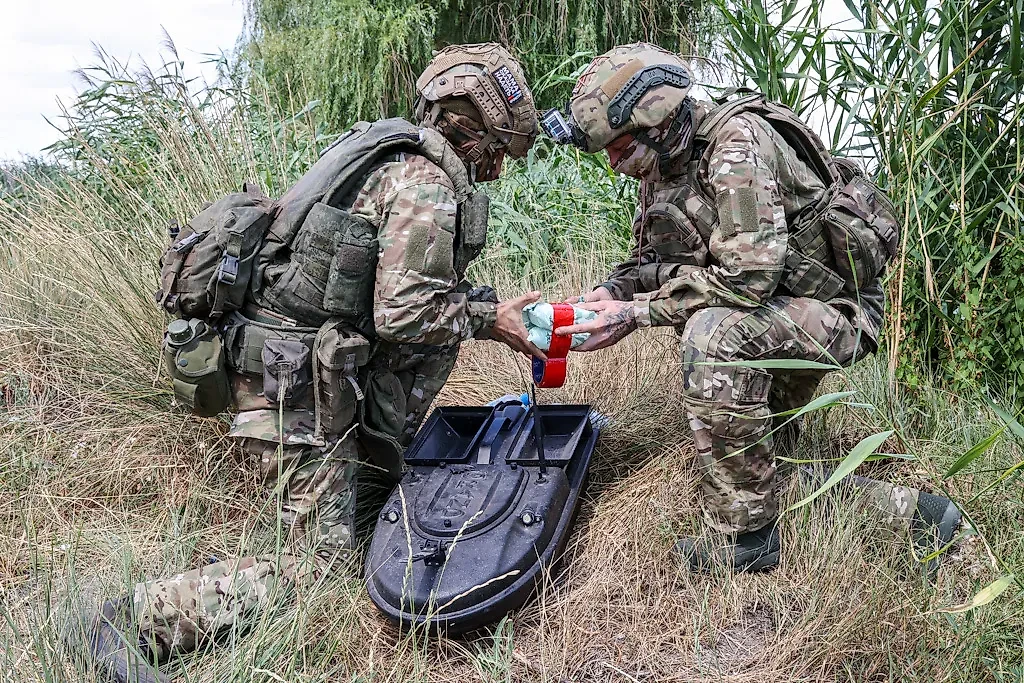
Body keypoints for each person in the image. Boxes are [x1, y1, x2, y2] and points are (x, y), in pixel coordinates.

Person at [78, 43, 543, 682]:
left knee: (331, 536)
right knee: (315, 575)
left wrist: (485, 306)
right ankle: (128, 620)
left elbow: (390, 291)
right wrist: (492, 319)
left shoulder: (392, 156)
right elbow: (403, 312)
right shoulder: (426, 182)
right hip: (293, 382)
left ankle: (218, 600)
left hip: (293, 373)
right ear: (473, 126)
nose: (498, 165)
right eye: (498, 147)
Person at [543, 43, 960, 574]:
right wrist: (613, 293)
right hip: (781, 311)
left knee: (711, 336)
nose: (615, 164)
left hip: (833, 313)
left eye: (620, 149)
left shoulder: (735, 147)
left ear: (656, 121)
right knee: (764, 462)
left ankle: (749, 538)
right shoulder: (667, 165)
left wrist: (637, 314)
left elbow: (748, 279)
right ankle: (917, 514)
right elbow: (655, 259)